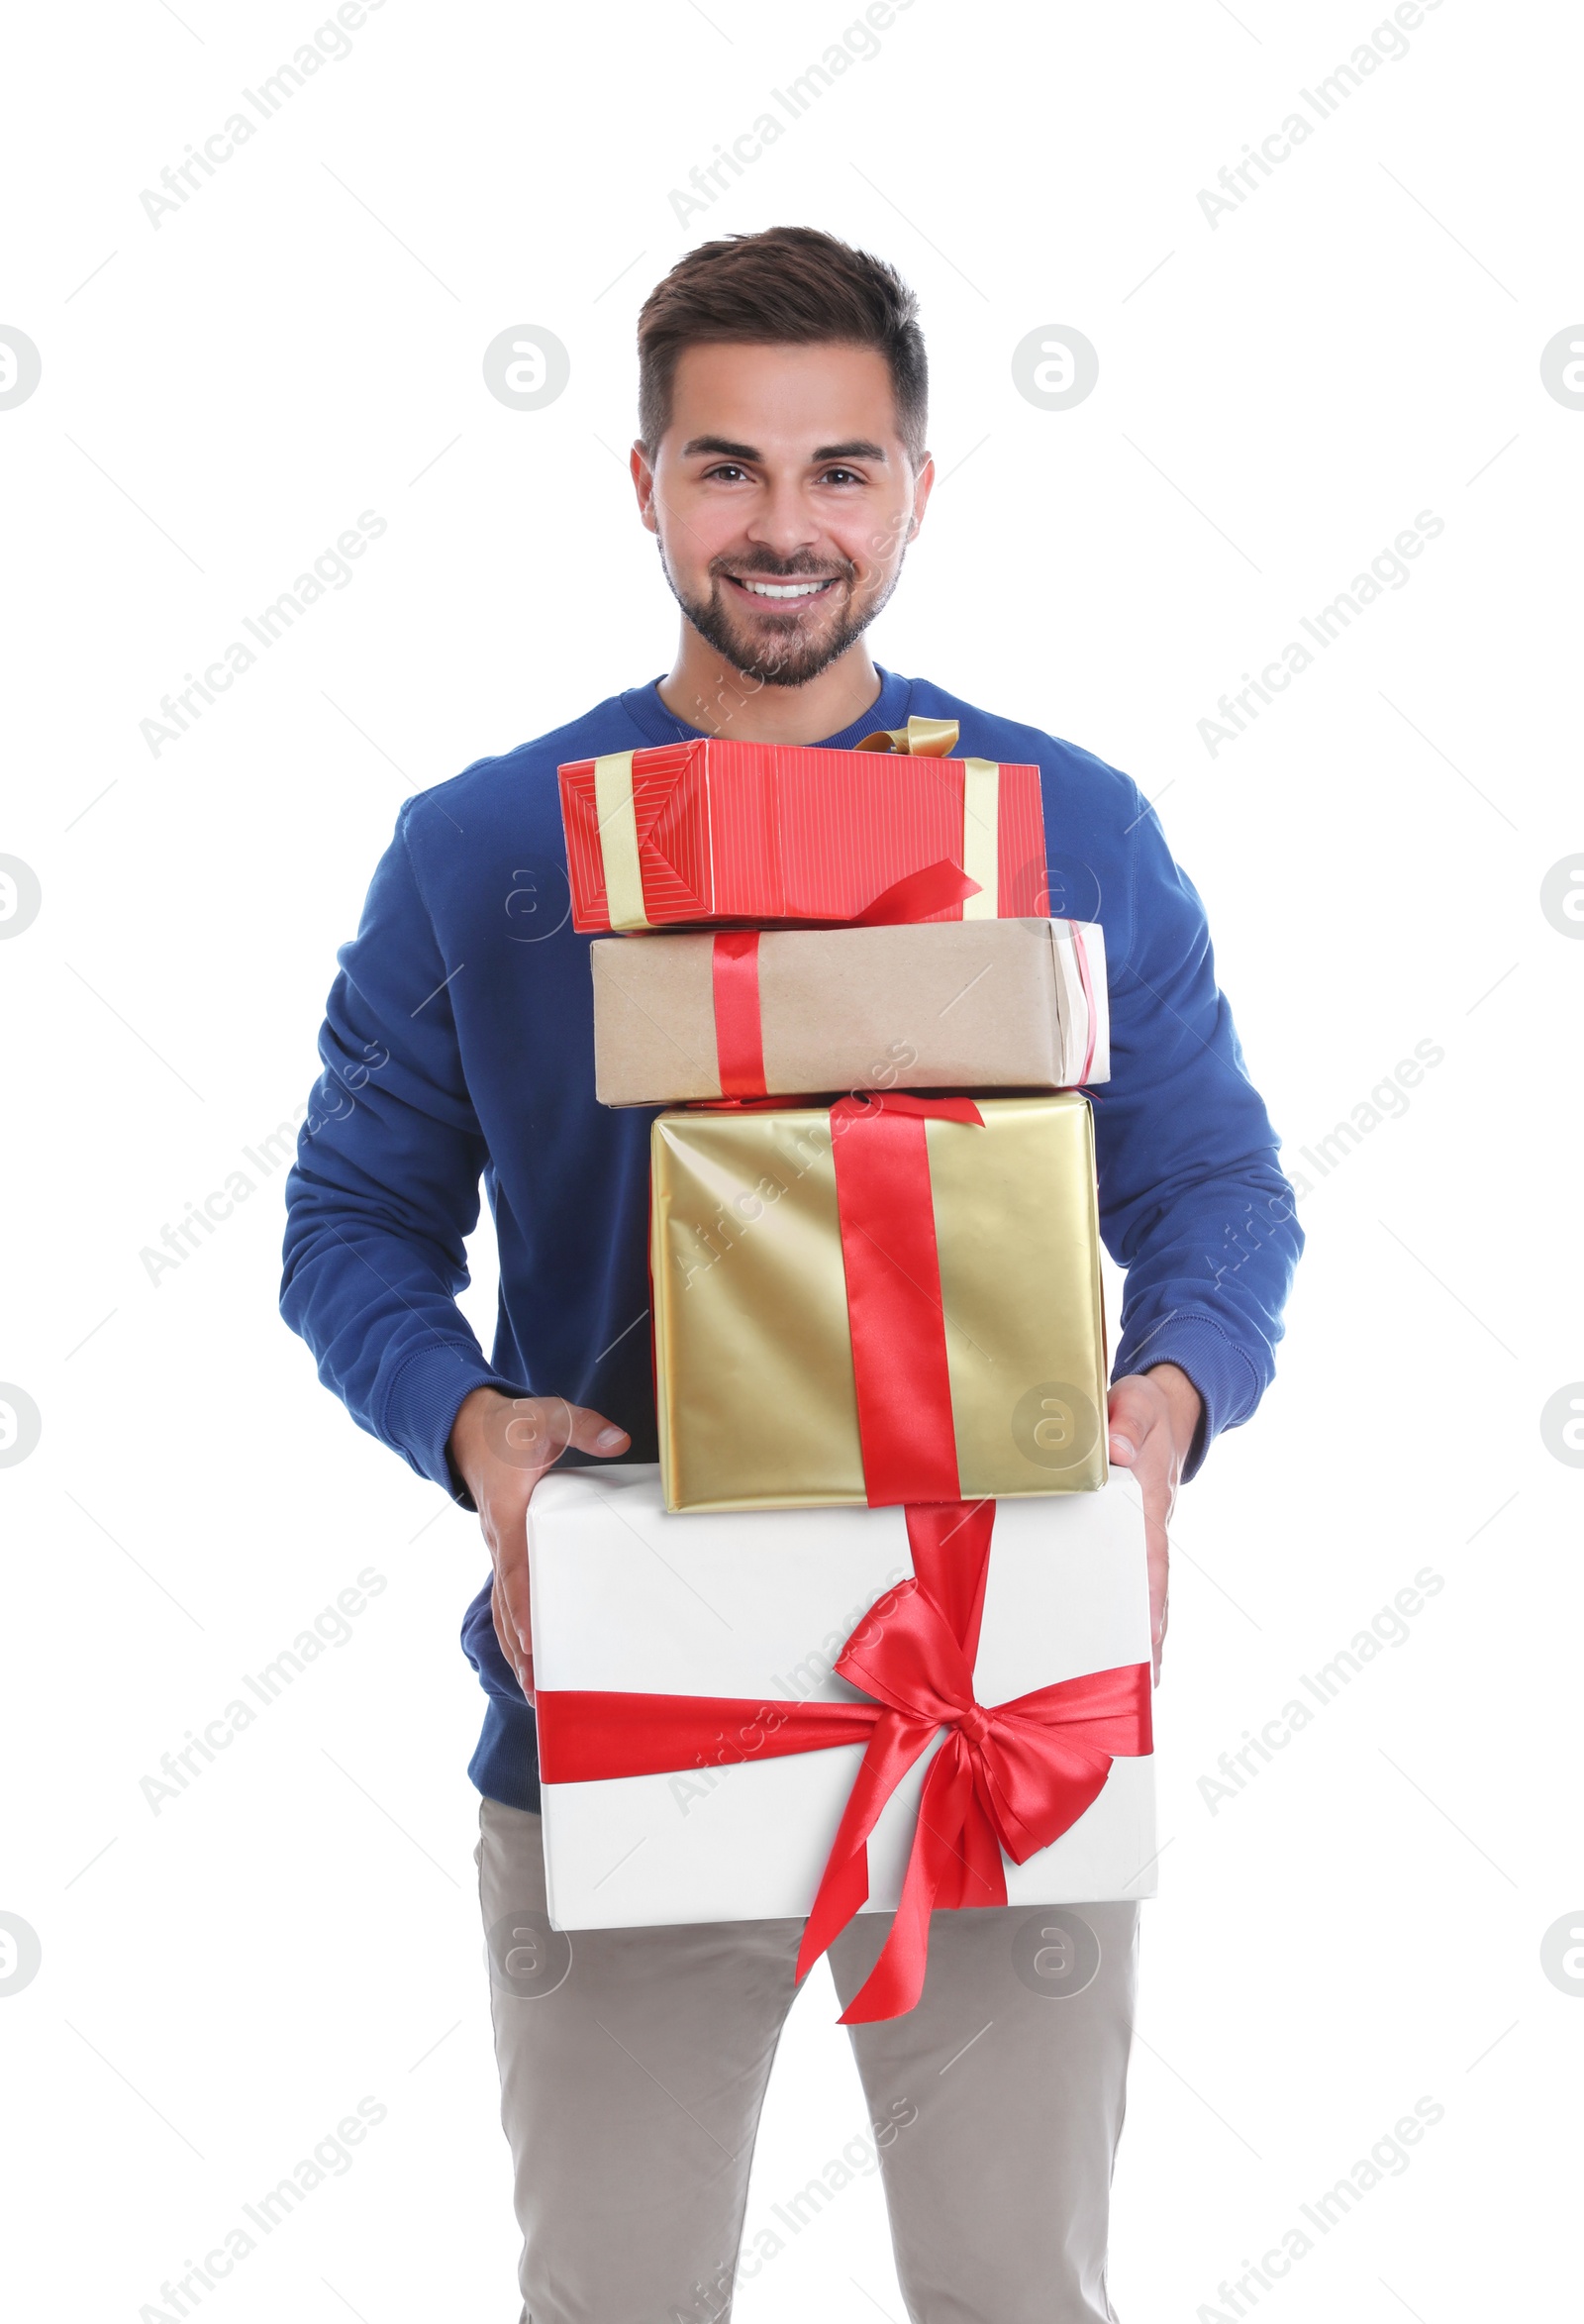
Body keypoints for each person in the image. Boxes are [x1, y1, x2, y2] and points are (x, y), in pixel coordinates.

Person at [281, 225, 1301, 2324]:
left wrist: (1162, 1407)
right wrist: (473, 1428)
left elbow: (1208, 1188)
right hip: (625, 1692)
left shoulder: (1064, 829)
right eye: (727, 467)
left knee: (1018, 2296)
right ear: (641, 484)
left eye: (838, 470)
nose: (782, 526)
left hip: (989, 1700)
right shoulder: (489, 846)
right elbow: (348, 1225)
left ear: (915, 492)